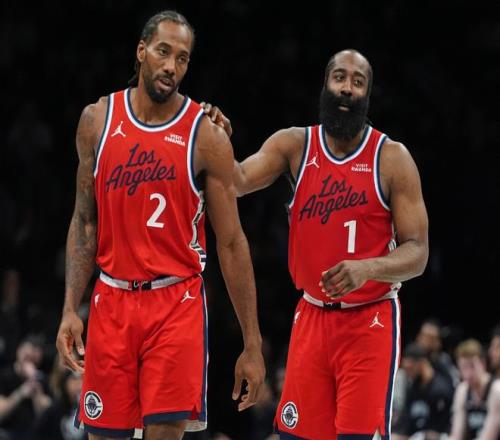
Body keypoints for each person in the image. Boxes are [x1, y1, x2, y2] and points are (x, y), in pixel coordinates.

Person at [55, 10, 265, 440]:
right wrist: (69, 308)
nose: (171, 66)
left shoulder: (206, 135)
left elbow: (231, 242)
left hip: (175, 303)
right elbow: (85, 221)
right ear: (141, 51)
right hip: (112, 299)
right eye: (163, 52)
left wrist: (252, 342)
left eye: (182, 58)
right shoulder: (97, 120)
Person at [206, 49, 429, 439]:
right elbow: (237, 180)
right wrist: (217, 141)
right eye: (339, 77)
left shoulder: (392, 158)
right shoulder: (295, 144)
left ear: (367, 95)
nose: (347, 88)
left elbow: (418, 252)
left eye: (357, 82)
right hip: (311, 315)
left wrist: (368, 267)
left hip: (369, 320)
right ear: (325, 85)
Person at [392, 343, 454, 439]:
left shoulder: (440, 390)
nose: (408, 374)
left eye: (410, 368)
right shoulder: (413, 388)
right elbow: (405, 421)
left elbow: (442, 428)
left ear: (422, 364)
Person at [449, 339, 494, 440]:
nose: (468, 374)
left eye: (472, 366)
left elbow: (490, 436)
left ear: (482, 363)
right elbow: (456, 434)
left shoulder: (496, 390)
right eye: (463, 367)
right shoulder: (462, 391)